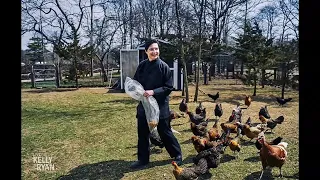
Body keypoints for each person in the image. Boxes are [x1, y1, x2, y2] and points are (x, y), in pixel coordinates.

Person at [130, 39, 183, 169]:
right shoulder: (142, 66)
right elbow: (135, 82)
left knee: (164, 131)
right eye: (152, 49)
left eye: (156, 49)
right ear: (146, 51)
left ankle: (177, 155)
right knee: (142, 133)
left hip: (160, 105)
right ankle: (143, 160)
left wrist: (153, 92)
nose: (154, 52)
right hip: (144, 105)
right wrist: (137, 91)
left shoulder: (163, 66)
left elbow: (169, 87)